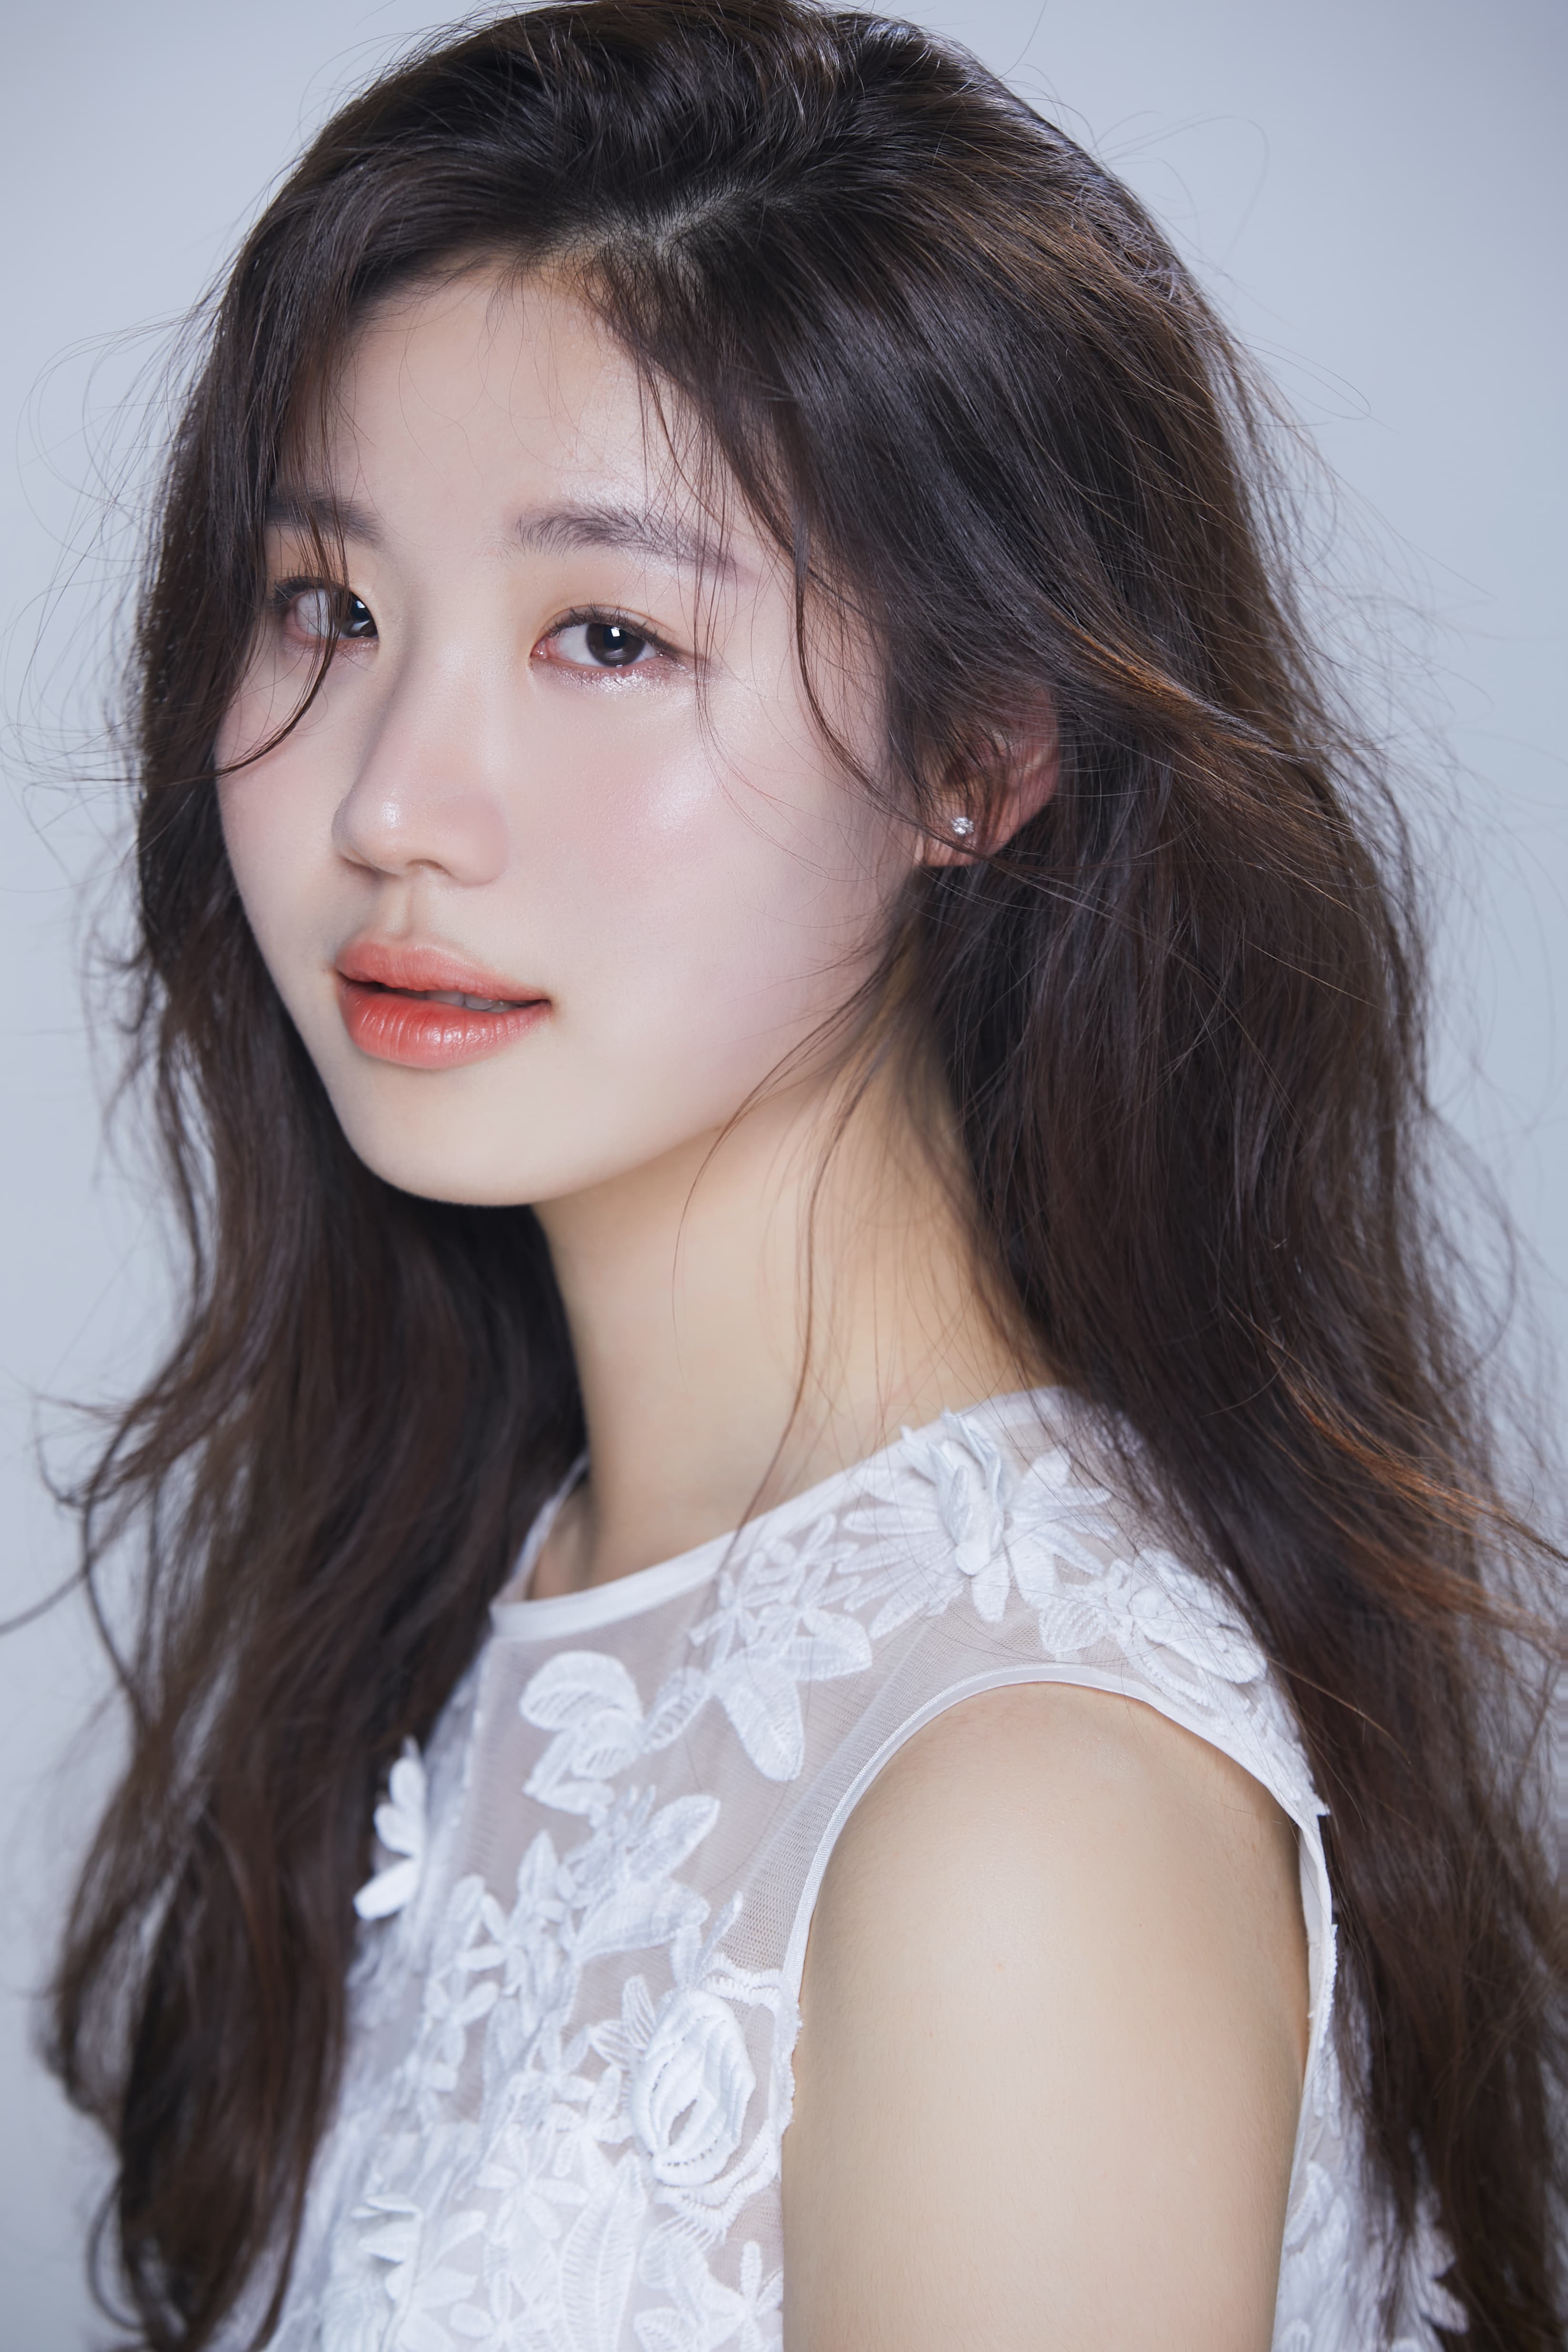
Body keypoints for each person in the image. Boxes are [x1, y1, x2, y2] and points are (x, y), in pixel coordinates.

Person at [45, 3, 1564, 2347]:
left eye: (606, 635)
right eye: (327, 607)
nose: (386, 800)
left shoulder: (1017, 1808)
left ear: (975, 751)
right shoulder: (501, 1553)